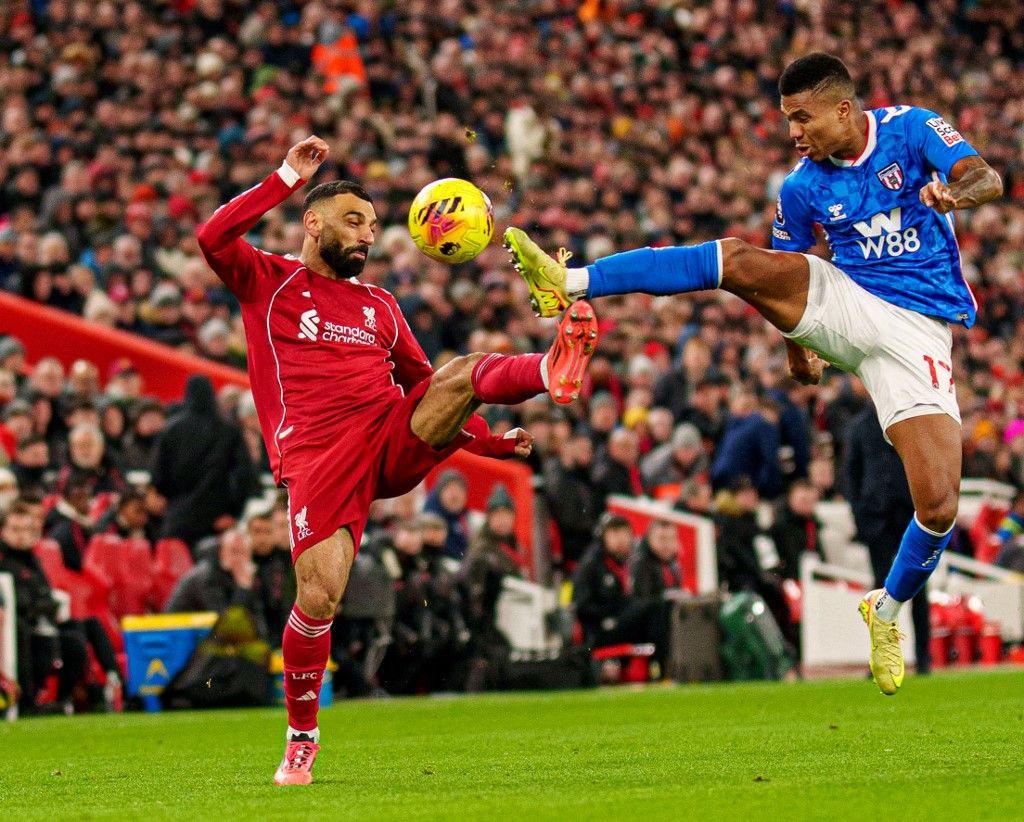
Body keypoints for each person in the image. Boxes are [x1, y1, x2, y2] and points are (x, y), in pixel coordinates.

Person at [506, 52, 1002, 695]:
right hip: (850, 299)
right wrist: (801, 350)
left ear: (844, 109)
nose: (794, 132)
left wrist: (953, 192)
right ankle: (570, 280)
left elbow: (984, 176)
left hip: (919, 330)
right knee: (739, 261)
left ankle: (885, 610)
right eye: (787, 119)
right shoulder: (801, 187)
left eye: (804, 118)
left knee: (938, 506)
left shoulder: (911, 130)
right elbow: (781, 283)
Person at [196, 136, 599, 784]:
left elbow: (429, 388)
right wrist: (285, 176)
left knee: (462, 369)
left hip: (387, 434)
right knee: (320, 598)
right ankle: (302, 737)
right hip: (318, 458)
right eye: (354, 221)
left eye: (373, 226)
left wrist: (487, 442)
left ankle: (548, 369)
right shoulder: (268, 282)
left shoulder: (379, 305)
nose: (367, 234)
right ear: (312, 223)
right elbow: (212, 237)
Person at [843, 406, 932, 674]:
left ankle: (924, 659)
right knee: (881, 591)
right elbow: (850, 473)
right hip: (877, 518)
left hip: (909, 515)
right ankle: (882, 657)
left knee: (918, 587)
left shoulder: (909, 420)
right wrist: (860, 514)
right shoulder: (860, 426)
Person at [0, 500, 87, 713]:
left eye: (26, 530)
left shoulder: (33, 560)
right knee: (22, 630)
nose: (21, 536)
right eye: (15, 529)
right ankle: (26, 702)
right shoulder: (3, 561)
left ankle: (67, 698)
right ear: (3, 531)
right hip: (16, 625)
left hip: (41, 619)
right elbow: (18, 601)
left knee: (78, 633)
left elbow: (46, 593)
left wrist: (44, 605)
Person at [152, 375, 256, 549]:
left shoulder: (170, 430)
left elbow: (158, 478)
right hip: (216, 523)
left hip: (177, 521)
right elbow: (243, 476)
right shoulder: (229, 432)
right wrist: (233, 513)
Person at [165, 529, 269, 640]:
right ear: (221, 552)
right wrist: (243, 588)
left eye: (243, 552)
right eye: (234, 551)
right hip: (179, 636)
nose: (239, 558)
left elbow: (258, 619)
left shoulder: (244, 575)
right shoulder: (206, 576)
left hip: (206, 638)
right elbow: (226, 626)